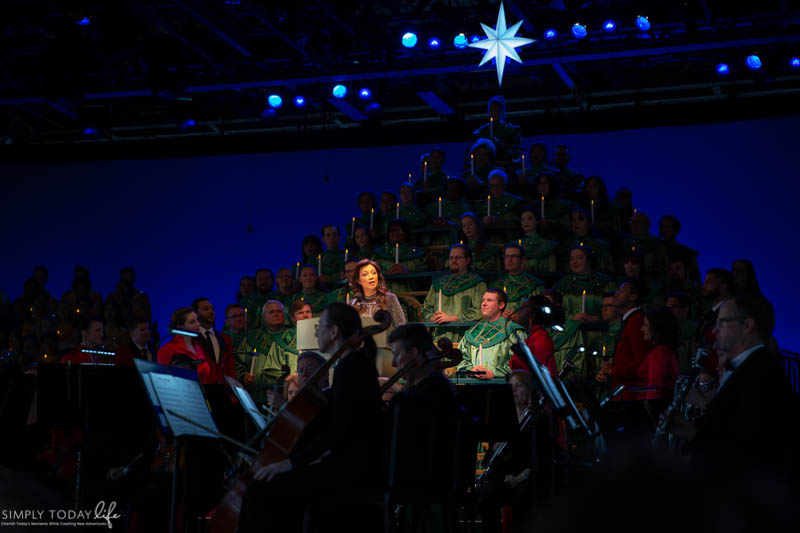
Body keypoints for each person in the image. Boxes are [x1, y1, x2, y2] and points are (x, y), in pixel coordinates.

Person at [237, 303, 384, 533]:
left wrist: (291, 462)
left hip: (350, 471)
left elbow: (338, 430)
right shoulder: (353, 363)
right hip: (349, 465)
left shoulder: (350, 366)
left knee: (260, 489)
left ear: (334, 331)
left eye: (319, 326)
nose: (316, 331)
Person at [667, 293, 800, 513]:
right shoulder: (749, 368)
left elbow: (745, 447)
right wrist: (693, 432)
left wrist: (697, 437)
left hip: (745, 504)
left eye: (722, 322)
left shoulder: (759, 373)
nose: (715, 330)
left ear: (747, 326)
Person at [551, 246, 616, 375]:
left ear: (589, 260)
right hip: (571, 336)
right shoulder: (562, 285)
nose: (575, 262)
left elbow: (616, 310)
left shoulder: (605, 283)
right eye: (571, 259)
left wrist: (596, 319)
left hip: (598, 335)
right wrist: (571, 320)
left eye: (580, 258)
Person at [421, 244, 487, 343]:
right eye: (451, 258)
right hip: (439, 337)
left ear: (467, 260)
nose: (453, 261)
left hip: (465, 337)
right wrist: (431, 317)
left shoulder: (477, 284)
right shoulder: (439, 283)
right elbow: (426, 308)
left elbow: (480, 311)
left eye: (458, 257)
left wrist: (452, 318)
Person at [458, 289, 527, 380]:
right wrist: (471, 370)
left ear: (501, 305)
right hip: (473, 387)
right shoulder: (472, 333)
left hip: (503, 387)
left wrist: (494, 373)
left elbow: (519, 363)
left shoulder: (514, 332)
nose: (484, 304)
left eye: (489, 300)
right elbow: (461, 359)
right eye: (483, 300)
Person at [238, 300, 299, 404]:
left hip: (288, 394)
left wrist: (297, 376)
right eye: (271, 312)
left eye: (279, 311)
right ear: (263, 317)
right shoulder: (253, 338)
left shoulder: (295, 336)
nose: (276, 314)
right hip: (258, 394)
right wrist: (243, 375)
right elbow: (238, 362)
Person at [609, 278, 651, 392]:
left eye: (621, 291)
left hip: (629, 390)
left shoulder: (636, 321)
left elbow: (641, 361)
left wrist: (613, 371)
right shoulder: (628, 320)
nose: (616, 294)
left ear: (633, 296)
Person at [633, 307, 680, 400]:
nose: (642, 329)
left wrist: (649, 409)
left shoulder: (659, 353)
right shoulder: (665, 351)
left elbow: (655, 387)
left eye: (646, 325)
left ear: (656, 328)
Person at [490, 244, 544, 319]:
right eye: (507, 256)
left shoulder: (534, 285)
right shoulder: (496, 285)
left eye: (514, 256)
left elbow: (538, 311)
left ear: (522, 260)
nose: (509, 260)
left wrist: (519, 315)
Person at [347, 259, 406, 327]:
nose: (371, 277)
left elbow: (401, 324)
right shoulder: (354, 302)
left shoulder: (389, 298)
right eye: (365, 274)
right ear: (359, 280)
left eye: (374, 273)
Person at [556, 208, 615, 273]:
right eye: (573, 220)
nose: (576, 223)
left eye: (580, 219)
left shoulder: (600, 245)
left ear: (588, 223)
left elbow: (608, 268)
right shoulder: (565, 246)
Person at [193, 297, 237, 382]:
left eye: (212, 308)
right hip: (203, 389)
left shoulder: (225, 338)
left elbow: (230, 368)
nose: (211, 312)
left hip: (223, 390)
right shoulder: (193, 339)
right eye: (206, 309)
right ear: (196, 313)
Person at [511, 297, 557, 377]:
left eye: (523, 309)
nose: (518, 312)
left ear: (532, 315)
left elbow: (545, 374)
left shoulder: (541, 339)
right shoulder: (533, 336)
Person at [473, 95, 522, 166]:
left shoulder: (511, 131)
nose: (493, 113)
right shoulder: (482, 131)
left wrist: (500, 145)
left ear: (502, 112)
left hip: (505, 167)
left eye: (496, 110)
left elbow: (516, 155)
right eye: (491, 110)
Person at [653, 215, 700, 282]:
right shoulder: (653, 250)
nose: (664, 230)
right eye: (661, 227)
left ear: (676, 230)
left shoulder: (687, 253)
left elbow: (695, 279)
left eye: (667, 227)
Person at [615, 211, 660, 277]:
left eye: (637, 222)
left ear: (646, 224)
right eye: (631, 222)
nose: (633, 225)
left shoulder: (655, 243)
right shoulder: (625, 243)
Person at [665, 293, 699, 375]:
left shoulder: (696, 329)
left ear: (685, 309)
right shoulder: (664, 328)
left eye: (672, 307)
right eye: (667, 307)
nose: (668, 310)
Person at [661, 256, 704, 320]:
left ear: (687, 270)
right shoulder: (664, 290)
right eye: (671, 269)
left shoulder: (698, 290)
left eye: (678, 268)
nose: (674, 272)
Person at [517, 206, 558, 273]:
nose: (525, 222)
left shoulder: (546, 244)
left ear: (536, 222)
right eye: (523, 219)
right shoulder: (517, 243)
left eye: (530, 219)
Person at [594, 292, 623, 384]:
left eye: (609, 305)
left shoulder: (623, 331)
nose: (604, 309)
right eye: (602, 306)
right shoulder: (602, 334)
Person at [534, 173, 572, 241]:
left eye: (545, 183)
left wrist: (550, 223)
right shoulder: (534, 205)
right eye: (539, 183)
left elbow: (567, 225)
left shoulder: (563, 205)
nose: (542, 186)